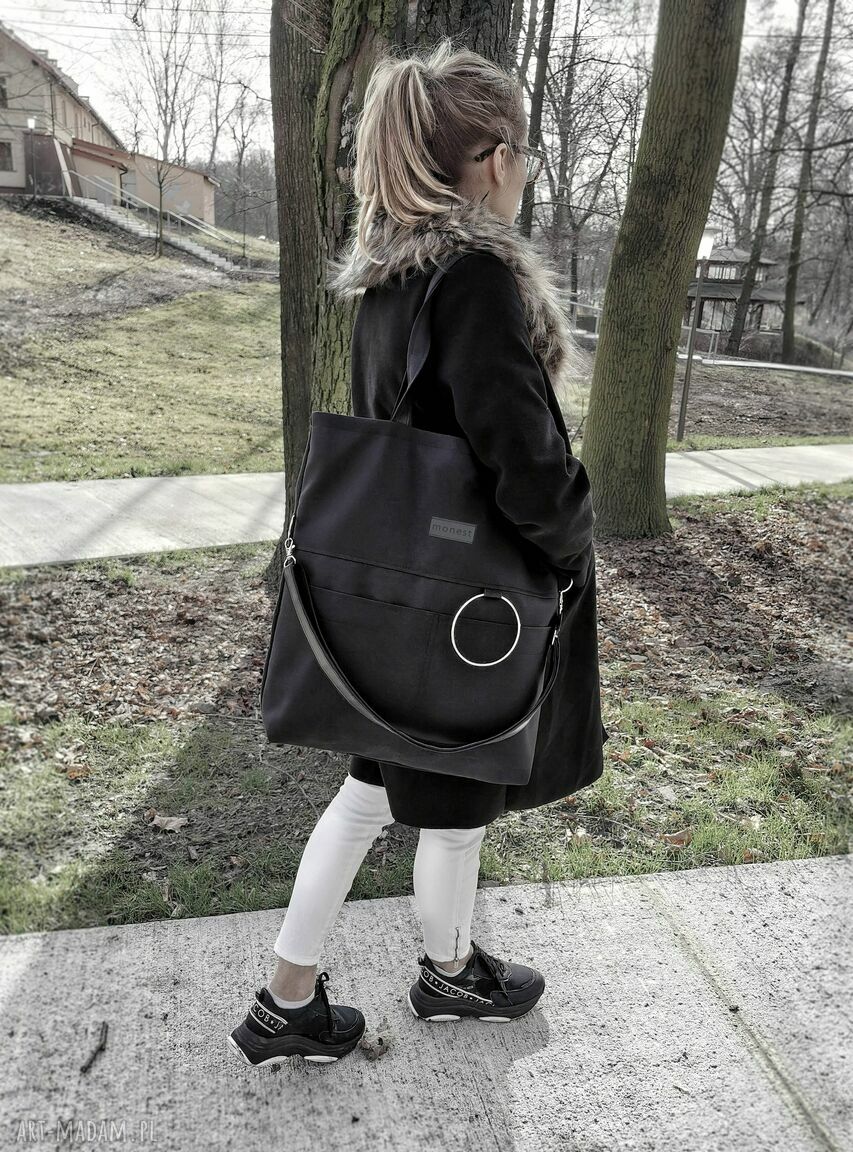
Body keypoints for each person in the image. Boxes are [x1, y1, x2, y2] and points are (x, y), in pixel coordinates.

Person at [228, 38, 607, 1069]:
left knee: (379, 796)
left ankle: (306, 995)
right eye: (522, 153)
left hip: (396, 604)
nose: (526, 172)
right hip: (464, 608)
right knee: (446, 797)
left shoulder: (392, 277)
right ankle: (426, 977)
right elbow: (518, 454)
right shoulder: (474, 279)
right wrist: (567, 541)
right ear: (493, 158)